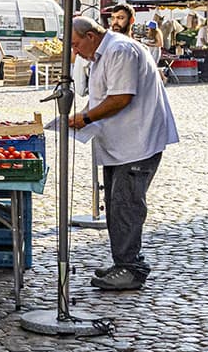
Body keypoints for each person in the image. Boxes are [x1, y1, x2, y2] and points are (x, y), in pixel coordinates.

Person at [67, 15, 179, 291]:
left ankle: (130, 267)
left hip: (136, 143)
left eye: (76, 44)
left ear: (91, 36)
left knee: (126, 205)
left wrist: (86, 118)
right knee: (117, 205)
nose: (75, 51)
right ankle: (124, 261)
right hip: (120, 144)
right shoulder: (105, 53)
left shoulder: (119, 50)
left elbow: (121, 97)